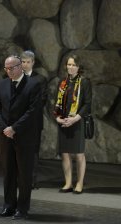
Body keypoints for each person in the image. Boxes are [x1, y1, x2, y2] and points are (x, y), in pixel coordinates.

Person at [0, 55, 41, 220]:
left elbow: (33, 111)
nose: (8, 71)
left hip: (24, 137)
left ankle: (22, 208)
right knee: (8, 172)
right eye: (6, 68)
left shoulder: (33, 84)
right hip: (5, 135)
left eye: (11, 68)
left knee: (24, 174)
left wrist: (14, 128)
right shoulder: (2, 83)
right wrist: (5, 128)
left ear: (20, 67)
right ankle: (9, 206)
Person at [54, 54, 92, 194]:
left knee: (79, 154)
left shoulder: (84, 82)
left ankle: (80, 183)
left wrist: (75, 118)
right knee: (65, 153)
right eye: (69, 64)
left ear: (79, 67)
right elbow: (56, 103)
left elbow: (87, 104)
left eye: (73, 65)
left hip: (77, 122)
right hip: (64, 121)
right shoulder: (62, 82)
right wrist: (57, 117)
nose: (70, 67)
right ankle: (68, 182)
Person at [21, 50, 48, 189]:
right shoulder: (15, 78)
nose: (25, 65)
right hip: (17, 122)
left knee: (33, 152)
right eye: (23, 62)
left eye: (28, 62)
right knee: (19, 151)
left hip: (33, 122)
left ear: (33, 63)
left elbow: (42, 100)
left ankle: (31, 180)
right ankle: (20, 179)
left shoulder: (40, 79)